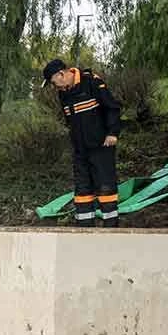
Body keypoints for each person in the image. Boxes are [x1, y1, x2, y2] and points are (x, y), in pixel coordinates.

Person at [43, 58, 122, 228]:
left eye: (54, 83)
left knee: (105, 187)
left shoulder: (91, 82)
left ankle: (111, 229)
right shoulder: (63, 93)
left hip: (101, 146)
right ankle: (84, 229)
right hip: (80, 150)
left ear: (61, 74)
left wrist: (112, 133)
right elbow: (70, 121)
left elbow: (112, 107)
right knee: (82, 190)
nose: (55, 87)